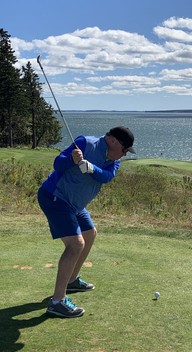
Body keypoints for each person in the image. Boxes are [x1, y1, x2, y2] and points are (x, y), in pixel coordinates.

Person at [37, 126, 135, 318]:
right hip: (55, 197)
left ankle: (72, 280)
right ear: (113, 141)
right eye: (124, 150)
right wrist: (72, 160)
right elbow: (58, 164)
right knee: (75, 244)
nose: (124, 155)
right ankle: (57, 302)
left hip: (75, 204)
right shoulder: (85, 143)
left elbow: (107, 177)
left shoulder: (113, 160)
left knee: (90, 234)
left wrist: (90, 168)